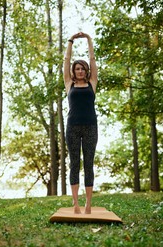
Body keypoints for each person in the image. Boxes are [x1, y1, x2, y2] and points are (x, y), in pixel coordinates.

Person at [63, 32, 98, 214]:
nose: (80, 71)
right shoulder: (69, 84)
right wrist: (71, 41)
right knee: (74, 163)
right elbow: (66, 60)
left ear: (86, 71)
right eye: (77, 69)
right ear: (73, 72)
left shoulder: (92, 82)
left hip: (91, 126)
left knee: (89, 163)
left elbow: (92, 59)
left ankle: (88, 203)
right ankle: (75, 203)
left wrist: (88, 40)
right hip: (73, 128)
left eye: (82, 68)